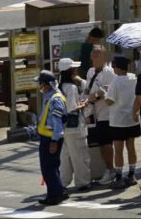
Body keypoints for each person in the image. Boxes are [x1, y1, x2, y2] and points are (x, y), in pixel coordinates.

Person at [82, 45, 117, 185]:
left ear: (104, 57)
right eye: (93, 54)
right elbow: (87, 89)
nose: (94, 58)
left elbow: (108, 89)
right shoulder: (91, 71)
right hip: (91, 114)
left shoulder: (109, 72)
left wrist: (94, 96)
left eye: (97, 55)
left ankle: (111, 169)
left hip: (105, 114)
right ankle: (100, 170)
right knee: (96, 144)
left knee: (106, 144)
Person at [106, 55, 141, 187]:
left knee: (118, 149)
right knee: (131, 147)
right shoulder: (133, 78)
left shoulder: (115, 82)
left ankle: (119, 176)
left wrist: (103, 94)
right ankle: (132, 174)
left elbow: (110, 101)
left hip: (118, 120)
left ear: (117, 68)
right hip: (132, 118)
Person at [57, 57, 90, 192]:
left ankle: (63, 182)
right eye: (74, 68)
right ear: (70, 70)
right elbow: (71, 108)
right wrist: (82, 105)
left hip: (63, 127)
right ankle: (82, 182)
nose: (76, 70)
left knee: (65, 157)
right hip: (75, 126)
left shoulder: (59, 87)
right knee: (80, 155)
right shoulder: (71, 88)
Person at [35, 70, 68, 205]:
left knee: (48, 168)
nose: (40, 86)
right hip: (47, 137)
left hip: (51, 138)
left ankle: (56, 195)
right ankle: (55, 193)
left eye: (41, 83)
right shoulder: (49, 96)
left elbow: (57, 122)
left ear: (48, 84)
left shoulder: (56, 99)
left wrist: (54, 141)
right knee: (51, 167)